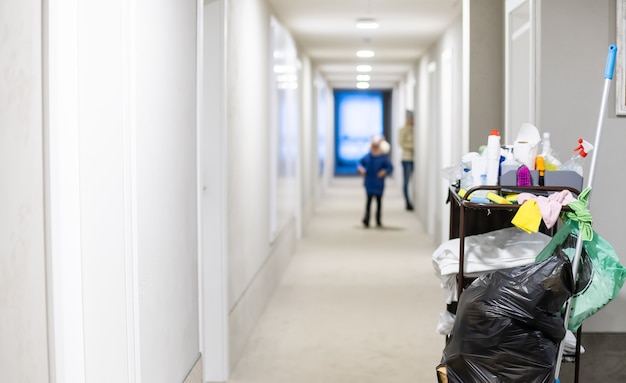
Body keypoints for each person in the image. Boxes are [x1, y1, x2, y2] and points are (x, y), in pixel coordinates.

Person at [357, 136, 393, 228]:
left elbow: (390, 168)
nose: (374, 149)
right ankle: (367, 219)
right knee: (368, 202)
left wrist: (384, 172)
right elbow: (359, 164)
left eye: (376, 147)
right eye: (373, 146)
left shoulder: (383, 158)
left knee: (378, 202)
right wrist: (360, 169)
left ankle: (378, 220)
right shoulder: (367, 157)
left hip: (379, 184)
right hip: (369, 182)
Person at [398, 110, 415, 211]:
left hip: (413, 158)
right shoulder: (403, 130)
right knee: (406, 182)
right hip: (406, 158)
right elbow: (402, 143)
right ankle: (407, 202)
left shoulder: (415, 130)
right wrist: (413, 147)